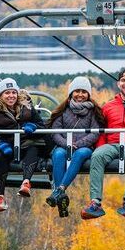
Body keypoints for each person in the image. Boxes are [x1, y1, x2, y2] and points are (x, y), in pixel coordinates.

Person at [81, 68, 125, 221]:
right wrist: (100, 146)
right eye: (123, 81)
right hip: (113, 143)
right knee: (97, 155)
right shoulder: (108, 106)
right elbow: (101, 130)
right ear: (118, 84)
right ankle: (95, 202)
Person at [0, 78, 50, 213]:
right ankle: (0, 196)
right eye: (7, 93)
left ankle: (26, 182)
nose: (11, 96)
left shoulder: (27, 107)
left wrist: (32, 126)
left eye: (13, 92)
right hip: (8, 146)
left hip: (26, 143)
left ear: (17, 93)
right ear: (0, 95)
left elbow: (42, 125)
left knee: (33, 149)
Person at [45, 76, 104, 217]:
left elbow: (95, 133)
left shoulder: (93, 111)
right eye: (77, 91)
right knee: (58, 154)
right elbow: (55, 131)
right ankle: (61, 196)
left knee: (80, 154)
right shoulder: (63, 110)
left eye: (84, 92)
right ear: (71, 93)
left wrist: (79, 144)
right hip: (64, 146)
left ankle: (59, 190)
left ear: (88, 94)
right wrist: (66, 144)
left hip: (84, 147)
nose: (80, 95)